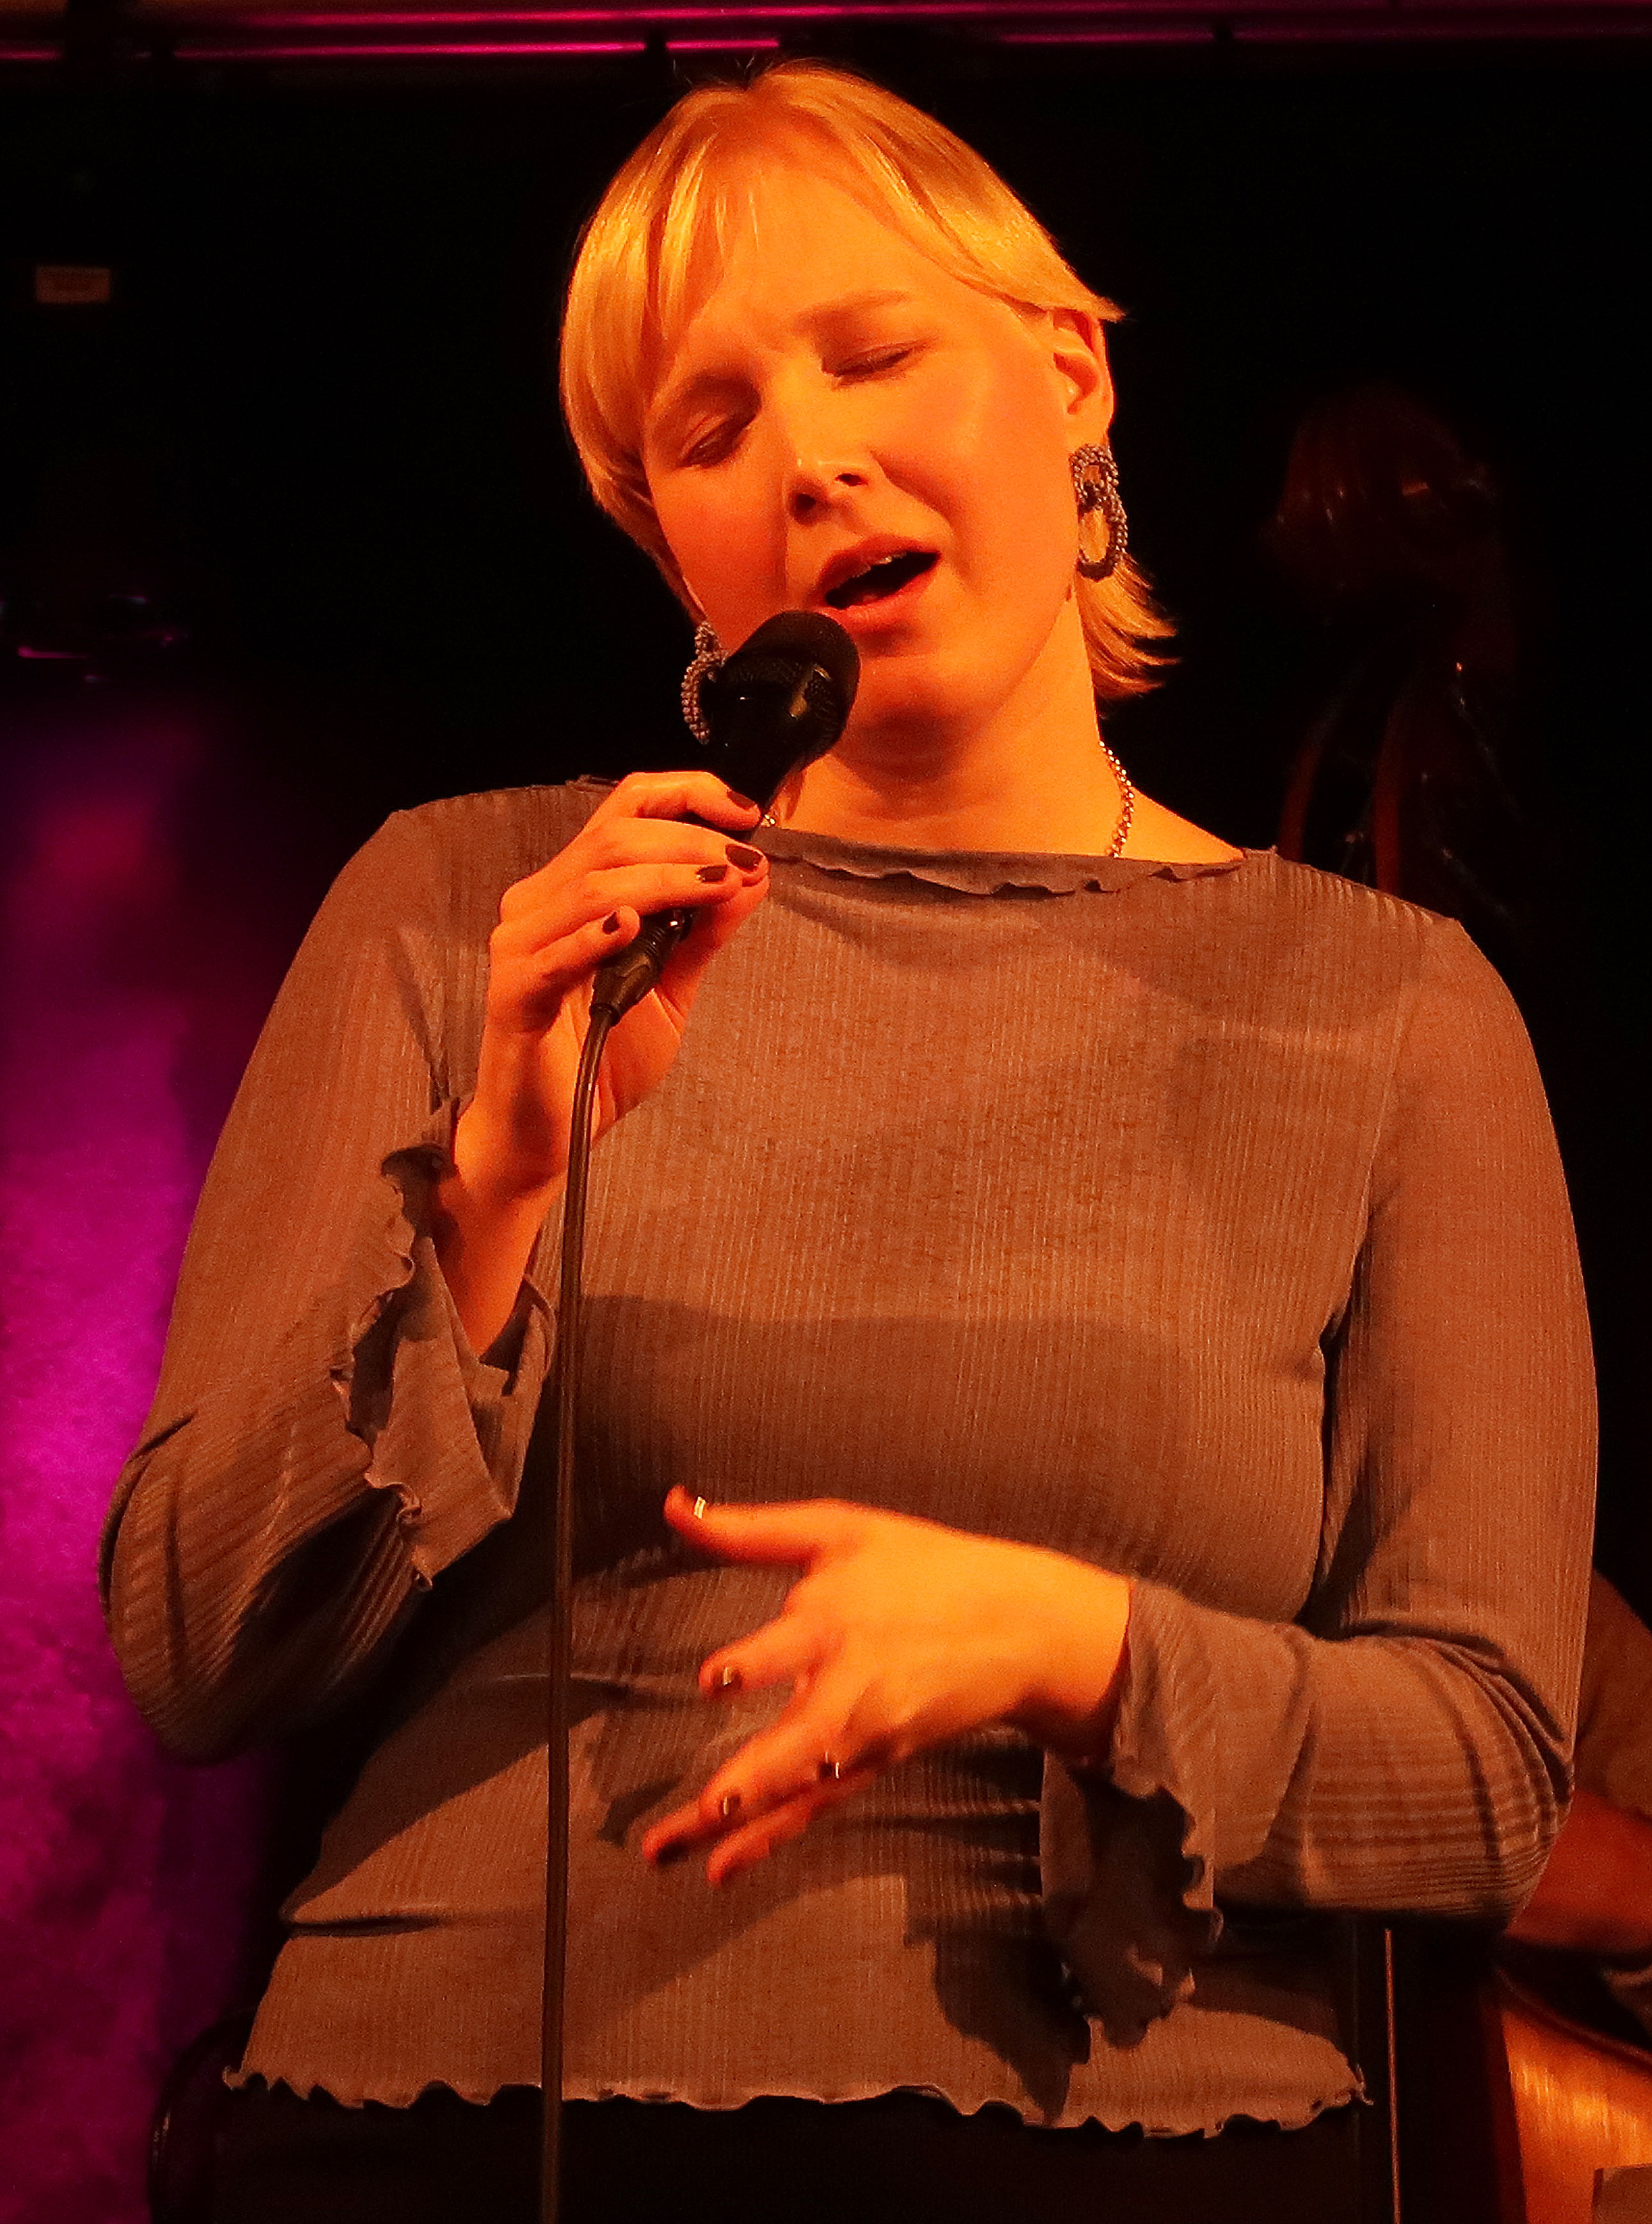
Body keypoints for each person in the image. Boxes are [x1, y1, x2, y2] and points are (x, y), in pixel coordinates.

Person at [101, 61, 1596, 2224]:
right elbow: (191, 1643)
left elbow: (1484, 1774)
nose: (808, 457)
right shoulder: (468, 910)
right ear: (675, 550)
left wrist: (1079, 1650)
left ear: (1068, 374)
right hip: (447, 2120)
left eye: (873, 355)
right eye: (709, 431)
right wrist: (494, 1190)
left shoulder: (1391, 1009)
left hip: (1110, 2147)